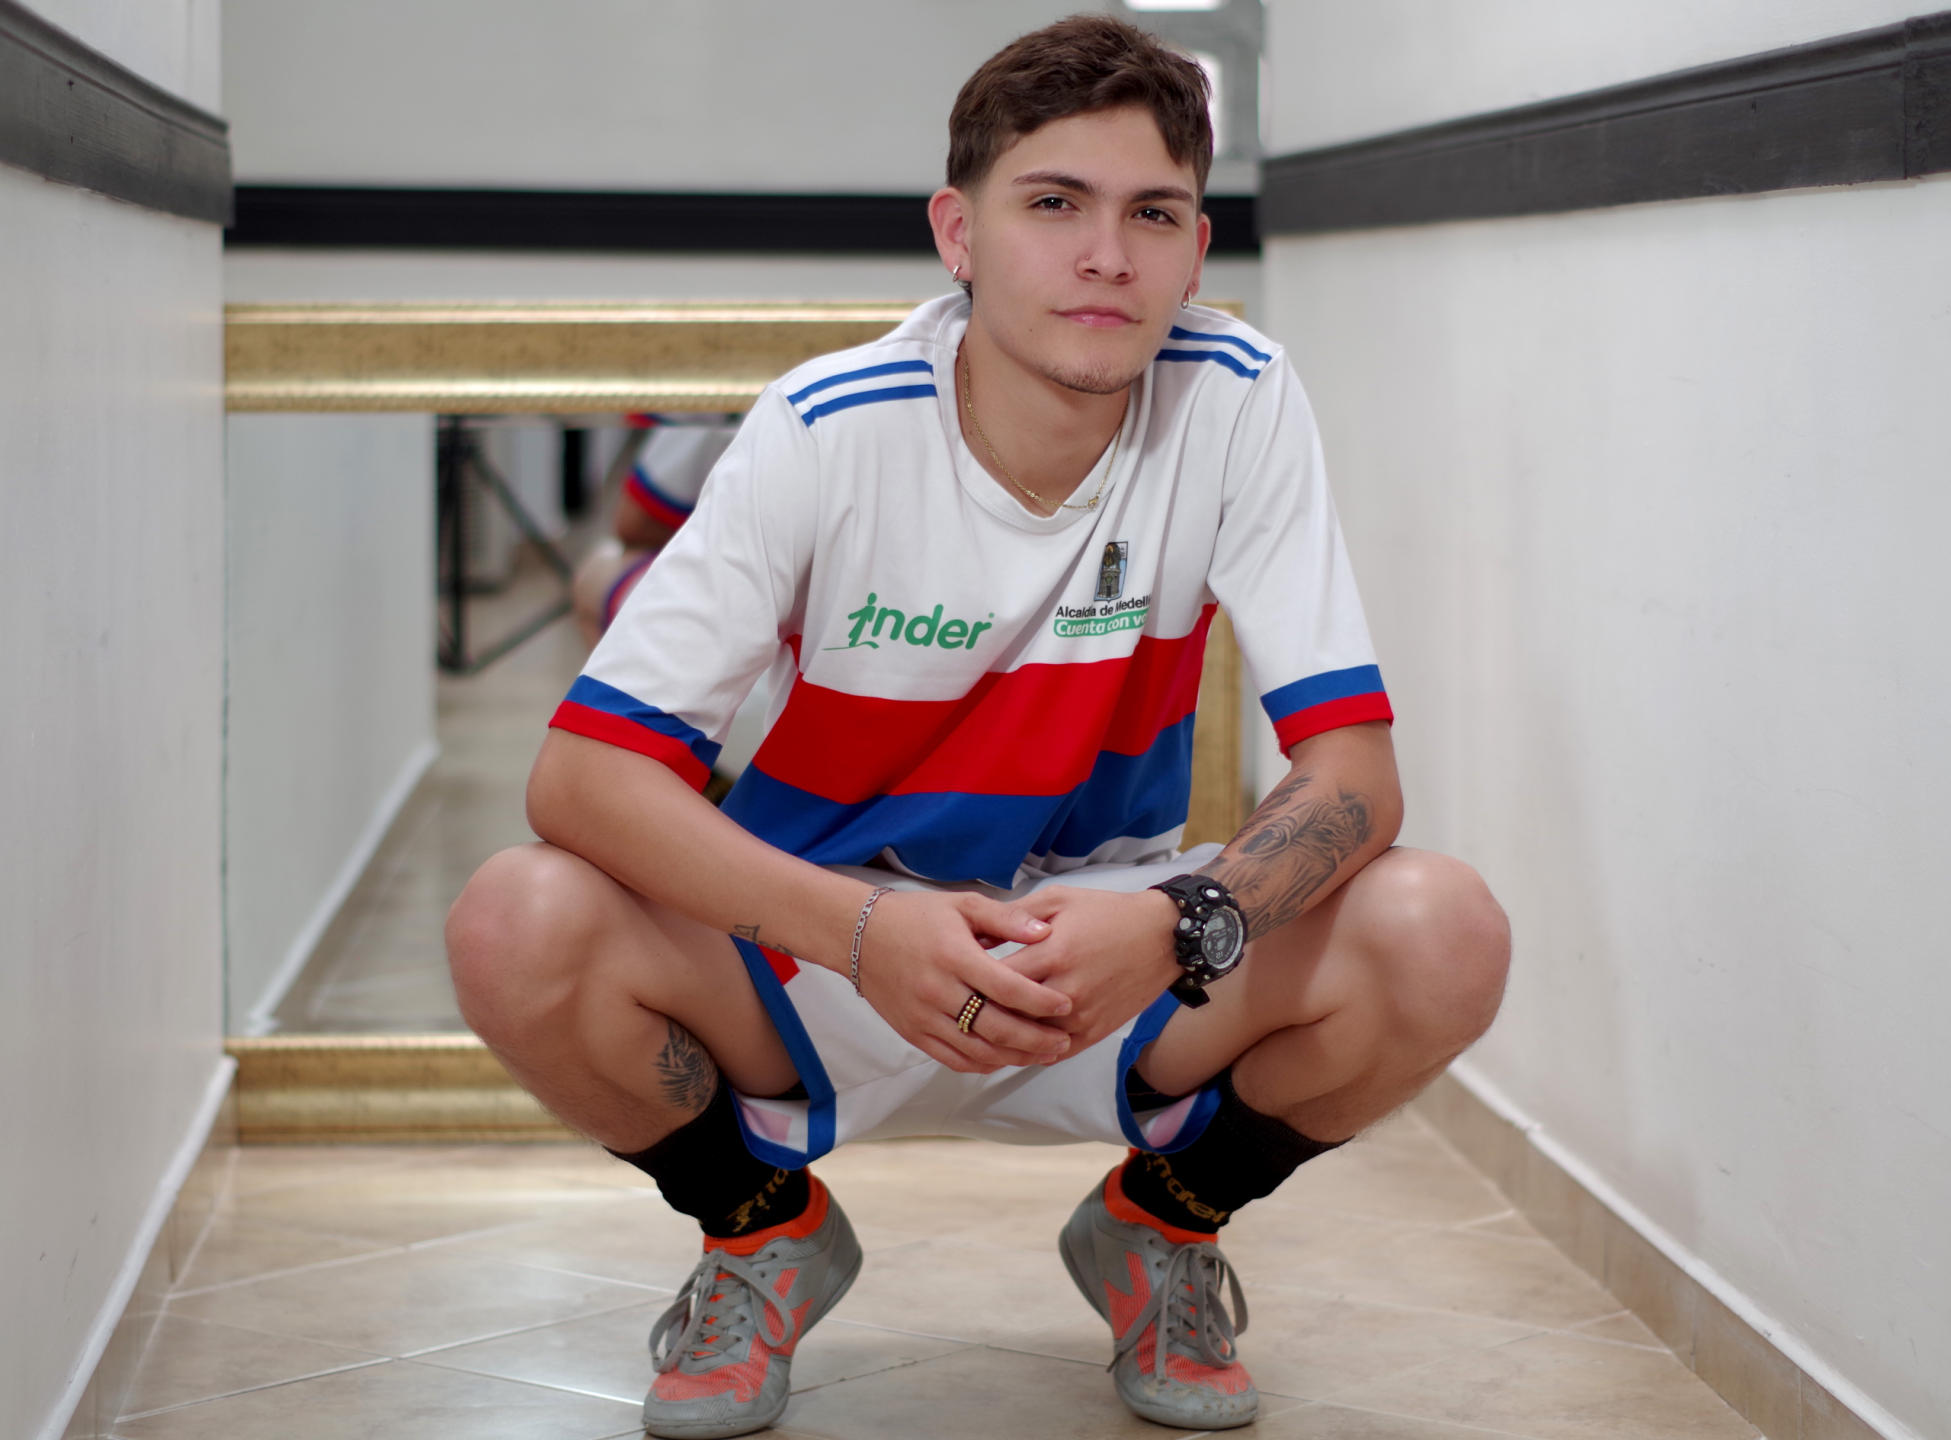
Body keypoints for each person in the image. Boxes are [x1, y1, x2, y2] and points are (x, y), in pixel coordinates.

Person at [447, 15, 1510, 1438]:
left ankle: (1160, 1225)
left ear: (1196, 250)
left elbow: (1353, 779)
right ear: (958, 233)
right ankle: (758, 1233)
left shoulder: (1238, 397)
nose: (1106, 256)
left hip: (1108, 943)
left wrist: (1174, 926)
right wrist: (863, 933)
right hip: (821, 941)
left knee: (1441, 929)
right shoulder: (825, 426)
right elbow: (583, 779)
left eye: (1152, 214)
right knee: (515, 920)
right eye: (1053, 204)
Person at [570, 415, 740, 646]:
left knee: (598, 571)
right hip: (776, 611)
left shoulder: (736, 397)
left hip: (744, 613)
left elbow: (634, 522)